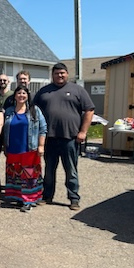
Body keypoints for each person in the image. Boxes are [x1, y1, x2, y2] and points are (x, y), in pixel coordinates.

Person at [33, 63, 95, 210]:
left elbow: (89, 110)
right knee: (49, 170)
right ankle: (47, 196)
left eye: (62, 73)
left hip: (70, 138)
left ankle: (74, 198)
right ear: (52, 75)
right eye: (56, 73)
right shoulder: (43, 92)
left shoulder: (77, 90)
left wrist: (83, 132)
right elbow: (33, 111)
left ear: (67, 74)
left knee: (71, 170)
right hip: (49, 138)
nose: (60, 76)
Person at [4, 85, 47, 212]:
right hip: (13, 149)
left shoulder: (34, 110)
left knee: (29, 176)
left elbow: (43, 128)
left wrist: (41, 145)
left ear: (27, 96)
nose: (21, 95)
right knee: (15, 174)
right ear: (15, 96)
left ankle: (28, 200)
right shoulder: (9, 111)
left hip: (30, 149)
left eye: (24, 93)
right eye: (19, 93)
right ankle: (18, 198)